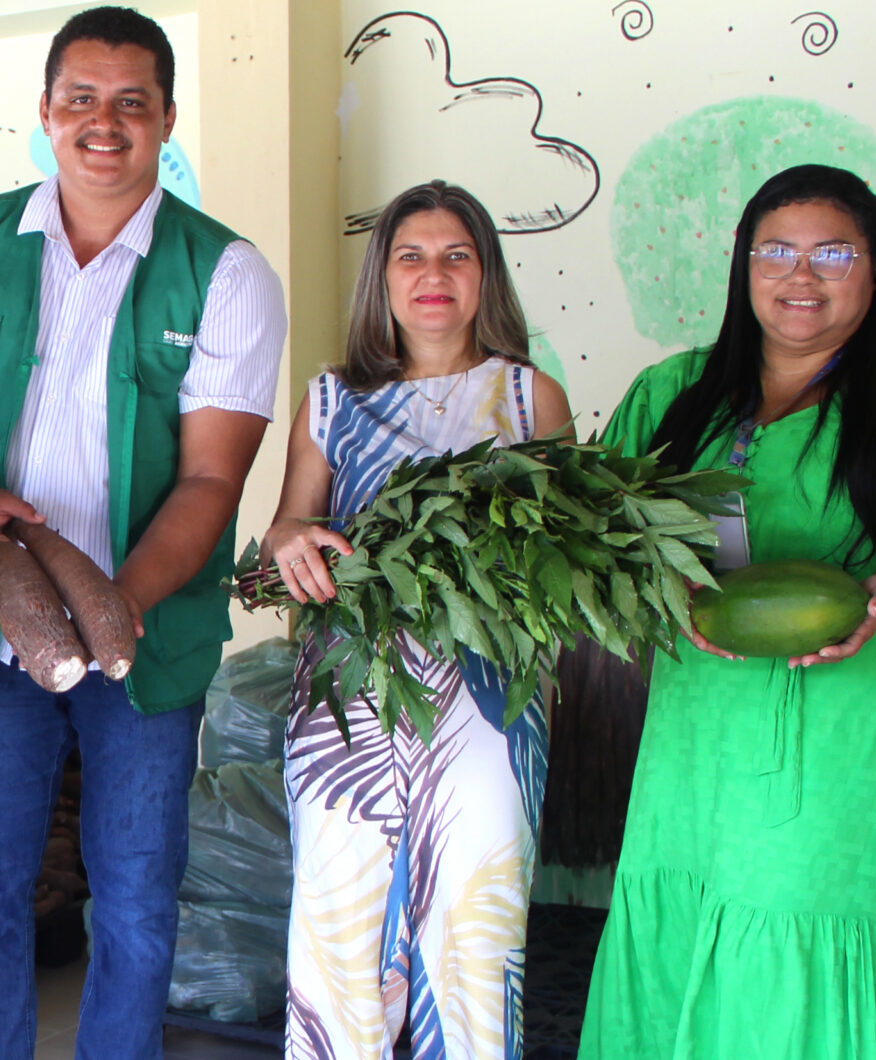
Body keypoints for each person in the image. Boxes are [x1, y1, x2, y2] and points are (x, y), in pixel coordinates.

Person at [0, 7, 287, 1055]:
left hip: (146, 637)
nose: (101, 124)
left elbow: (209, 476)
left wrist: (109, 609)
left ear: (164, 120)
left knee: (139, 903)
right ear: (45, 111)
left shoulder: (226, 273)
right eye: (80, 100)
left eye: (129, 104)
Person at [582, 164, 876, 1058]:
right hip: (701, 732)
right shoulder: (671, 393)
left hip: (858, 732)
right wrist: (656, 587)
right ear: (742, 267)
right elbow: (603, 539)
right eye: (777, 252)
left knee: (804, 917)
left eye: (834, 252)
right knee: (689, 911)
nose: (803, 276)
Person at [259, 181, 572, 1059]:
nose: (433, 274)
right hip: (350, 692)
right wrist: (289, 544)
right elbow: (289, 523)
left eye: (456, 256)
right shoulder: (330, 400)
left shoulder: (527, 398)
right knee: (337, 926)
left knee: (473, 925)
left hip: (489, 691)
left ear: (485, 277)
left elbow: (567, 551)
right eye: (411, 256)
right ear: (383, 280)